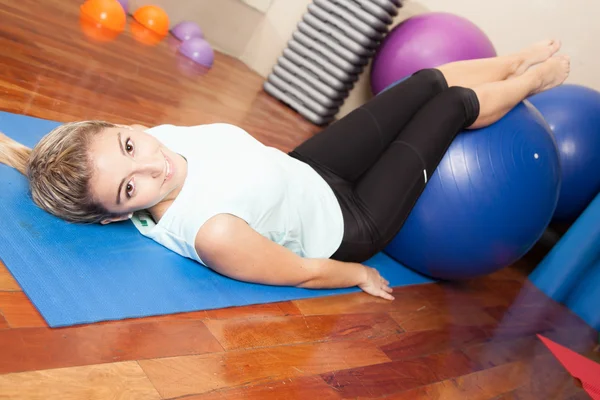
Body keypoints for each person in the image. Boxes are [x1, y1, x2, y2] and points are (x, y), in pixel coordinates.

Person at [0, 40, 570, 301]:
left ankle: (515, 58)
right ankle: (536, 81)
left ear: (119, 125)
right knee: (447, 106)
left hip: (304, 171)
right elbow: (299, 270)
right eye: (129, 189)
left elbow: (225, 159)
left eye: (127, 144)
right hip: (351, 222)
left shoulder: (157, 140)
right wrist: (356, 274)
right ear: (114, 217)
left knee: (421, 83)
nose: (151, 164)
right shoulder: (212, 230)